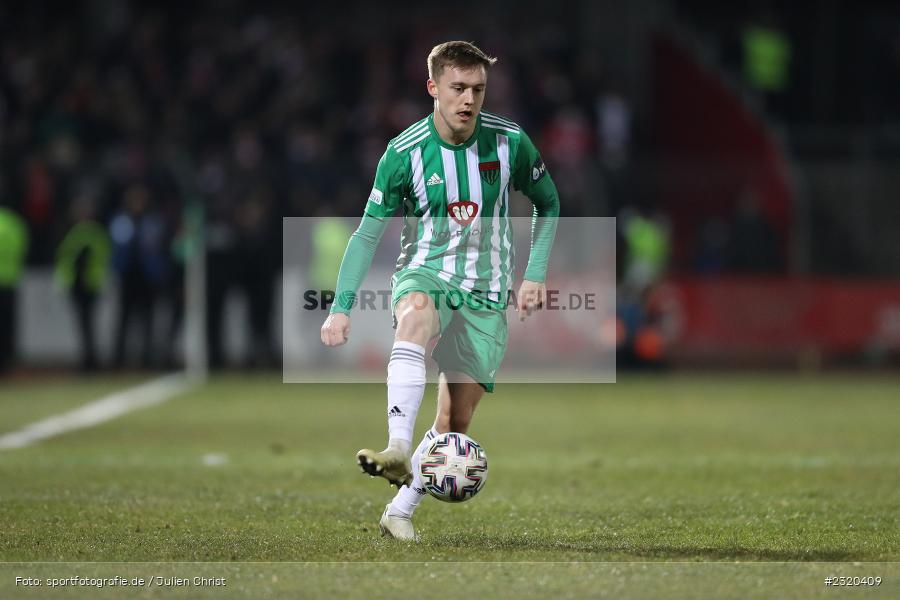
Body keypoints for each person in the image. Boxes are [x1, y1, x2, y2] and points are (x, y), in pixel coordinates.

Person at [320, 41, 559, 541]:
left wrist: (534, 274)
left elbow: (548, 202)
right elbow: (366, 234)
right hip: (426, 273)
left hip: (488, 293)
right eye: (458, 88)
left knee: (455, 424)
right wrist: (340, 309)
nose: (469, 99)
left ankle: (400, 510)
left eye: (478, 89)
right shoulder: (403, 153)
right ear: (433, 88)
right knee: (415, 316)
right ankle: (398, 447)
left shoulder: (510, 142)